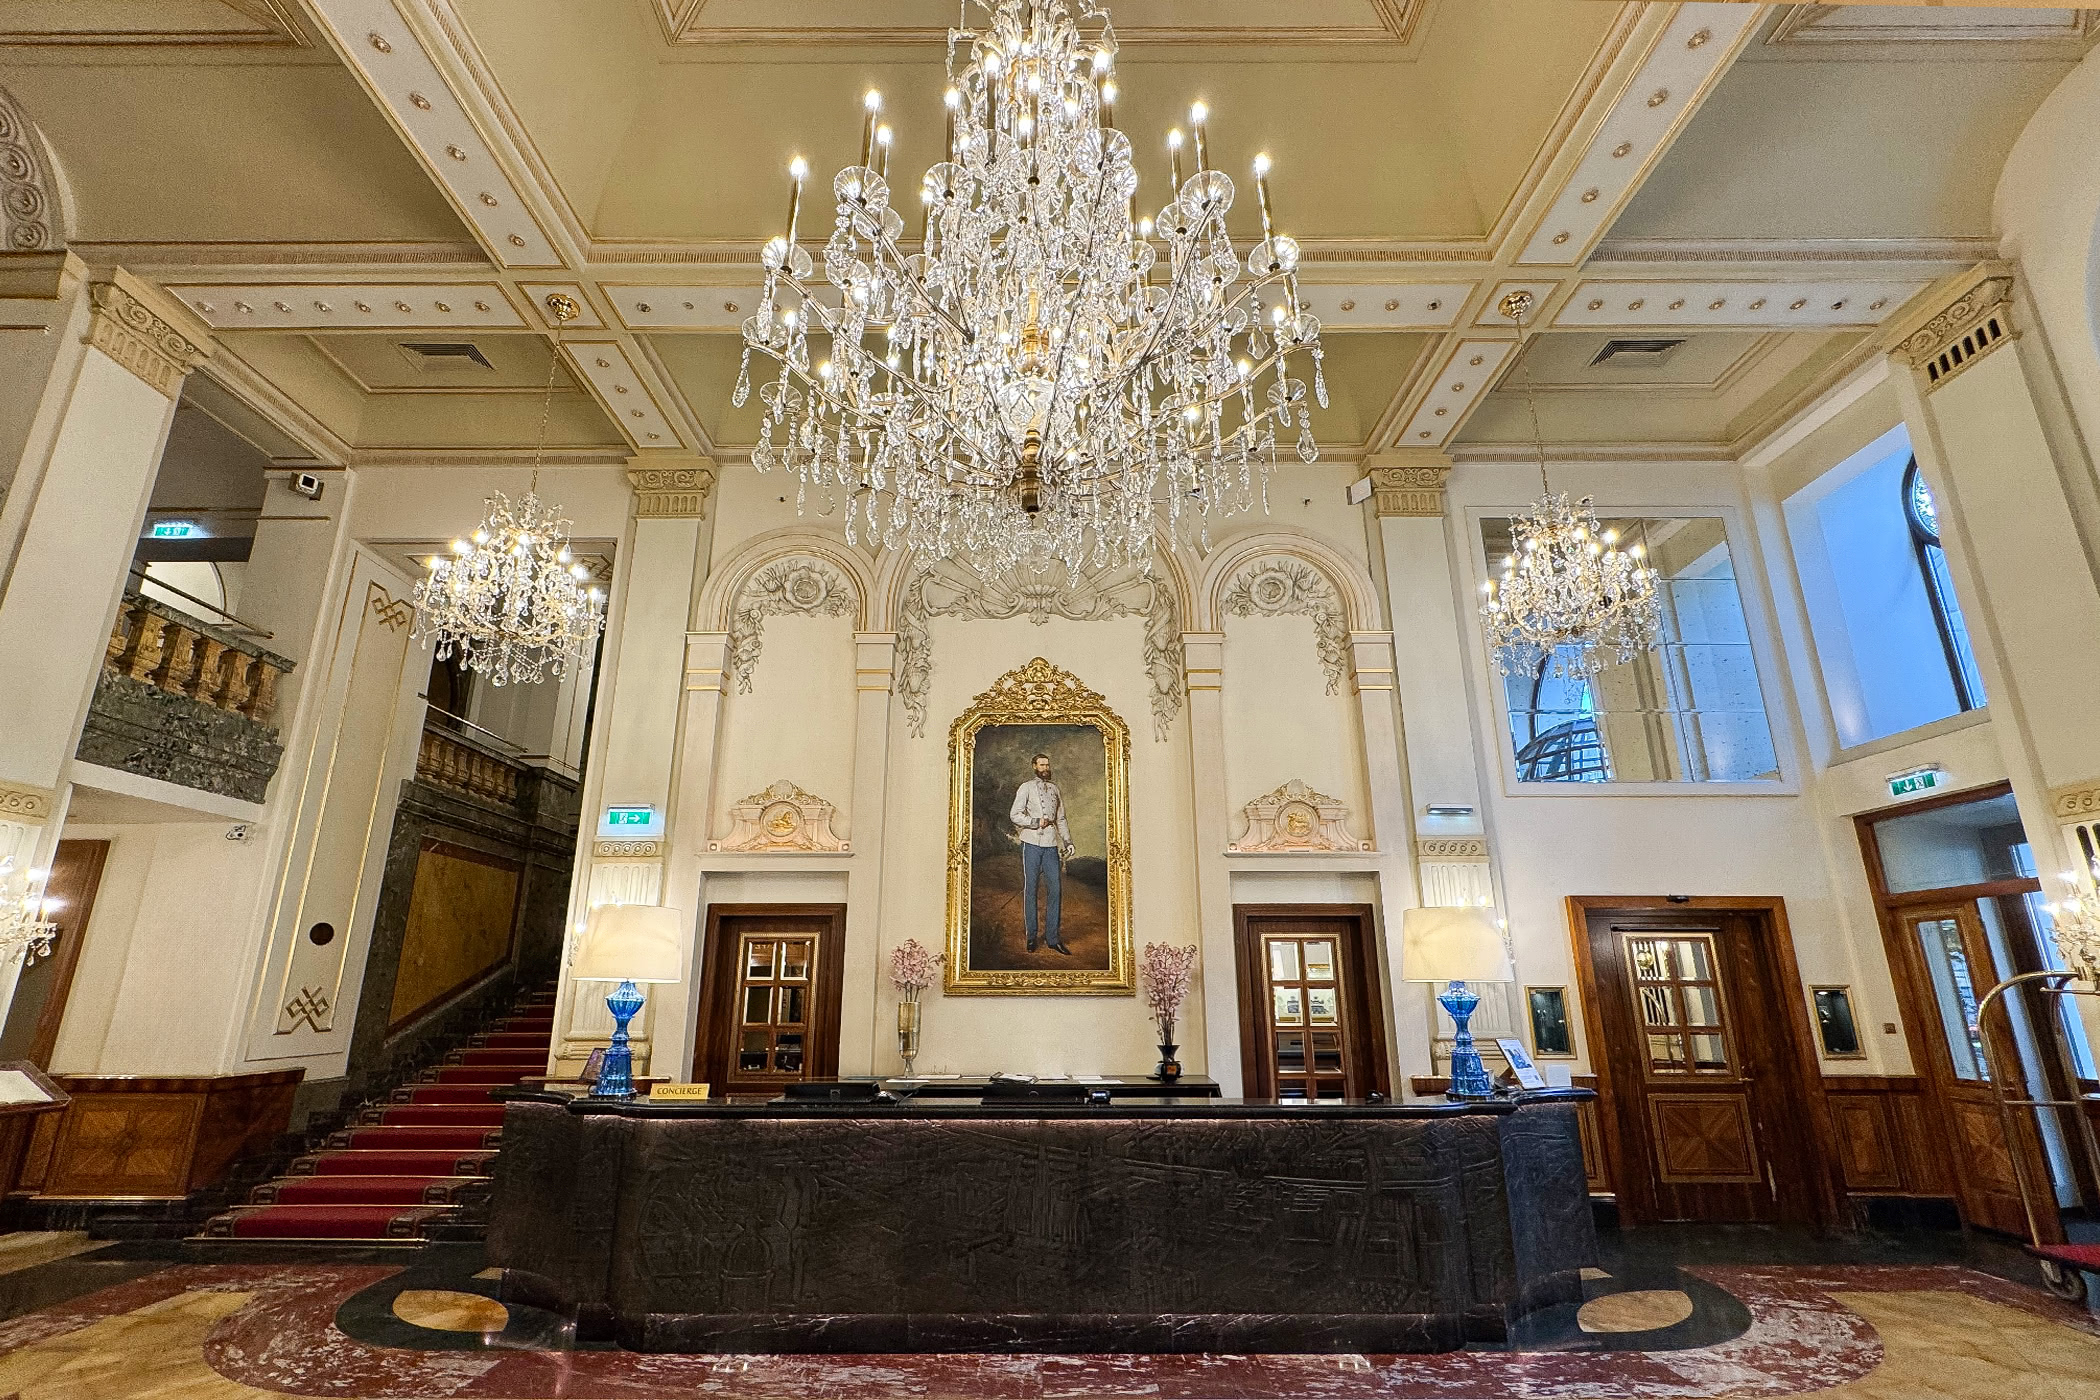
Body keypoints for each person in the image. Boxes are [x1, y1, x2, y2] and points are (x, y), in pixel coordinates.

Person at [1009, 752, 1074, 954]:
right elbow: (1015, 814)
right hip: (1032, 844)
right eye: (1042, 765)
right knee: (1031, 890)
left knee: (1055, 890)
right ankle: (1031, 937)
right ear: (1034, 767)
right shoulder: (1026, 787)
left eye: (1047, 764)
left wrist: (1068, 841)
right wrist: (1035, 822)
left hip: (1050, 845)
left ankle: (1053, 939)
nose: (1046, 768)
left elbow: (1061, 819)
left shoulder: (1055, 789)